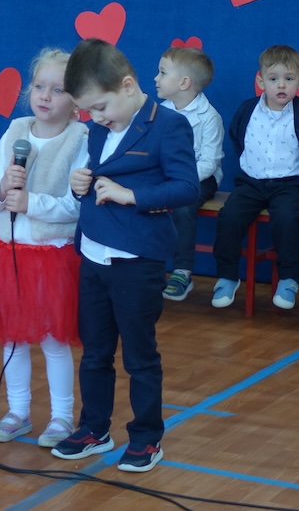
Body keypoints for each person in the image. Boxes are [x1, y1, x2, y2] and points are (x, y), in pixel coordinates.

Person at [51, 38, 199, 473]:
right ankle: (94, 428)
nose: (95, 118)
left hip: (137, 260)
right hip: (93, 256)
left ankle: (147, 437)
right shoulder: (98, 129)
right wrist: (80, 185)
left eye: (100, 107)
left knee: (139, 356)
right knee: (95, 352)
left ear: (129, 86)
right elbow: (97, 180)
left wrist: (131, 195)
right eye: (88, 112)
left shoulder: (169, 125)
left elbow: (186, 187)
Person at [0, 48, 87, 449]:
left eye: (58, 89)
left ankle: (62, 417)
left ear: (76, 99)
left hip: (51, 255)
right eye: (39, 86)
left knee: (53, 339)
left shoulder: (79, 140)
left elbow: (75, 205)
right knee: (13, 338)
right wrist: (3, 189)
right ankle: (18, 412)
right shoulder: (15, 131)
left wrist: (31, 202)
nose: (45, 96)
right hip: (9, 254)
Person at [211, 45, 299, 310]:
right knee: (229, 217)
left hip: (288, 186)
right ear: (260, 81)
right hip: (251, 183)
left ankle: (288, 279)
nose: (281, 85)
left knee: (286, 220)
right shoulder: (247, 110)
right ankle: (227, 276)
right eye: (274, 78)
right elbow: (237, 138)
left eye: (289, 79)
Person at [154, 46, 224, 301]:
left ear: (184, 83)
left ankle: (182, 271)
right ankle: (146, 265)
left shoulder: (209, 117)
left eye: (163, 73)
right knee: (139, 200)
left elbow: (209, 163)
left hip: (199, 179)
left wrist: (179, 181)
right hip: (166, 178)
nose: (156, 78)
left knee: (184, 207)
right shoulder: (159, 112)